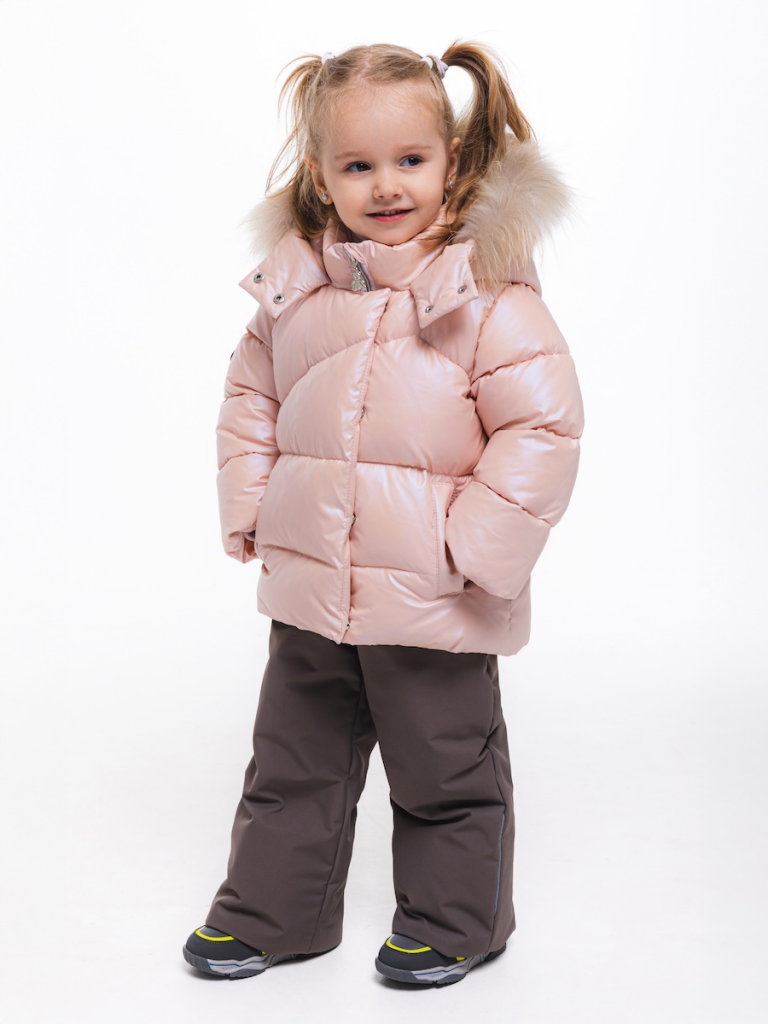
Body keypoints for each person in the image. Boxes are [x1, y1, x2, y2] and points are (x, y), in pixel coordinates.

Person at [182, 39, 585, 987]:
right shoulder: (293, 292)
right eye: (358, 165)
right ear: (321, 178)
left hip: (432, 590)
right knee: (292, 760)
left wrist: (472, 549)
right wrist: (255, 506)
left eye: (410, 159)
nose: (387, 184)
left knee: (445, 764)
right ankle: (275, 913)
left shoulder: (486, 294)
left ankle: (457, 921)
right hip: (312, 583)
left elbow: (543, 425)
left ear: (453, 160)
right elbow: (250, 402)